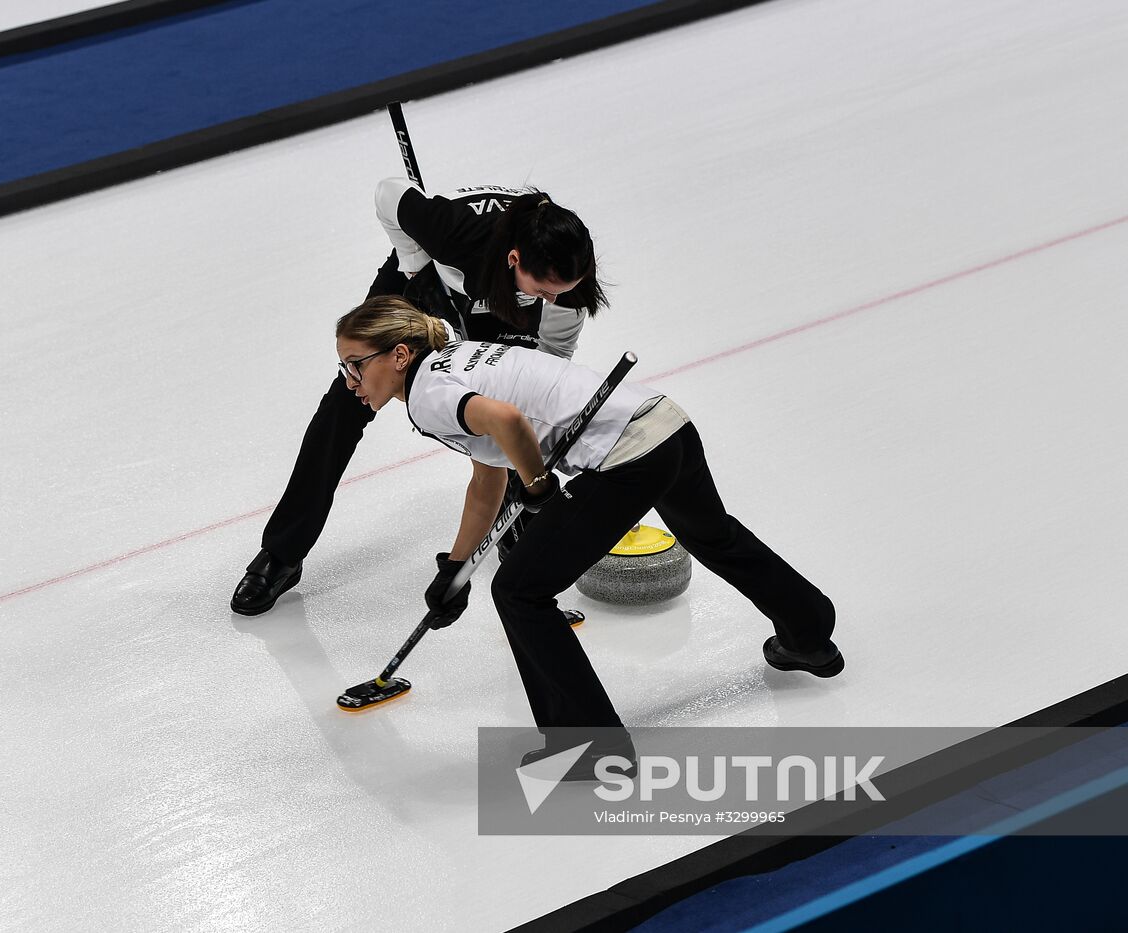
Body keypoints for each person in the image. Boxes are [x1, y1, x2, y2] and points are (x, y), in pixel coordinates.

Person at [334, 296, 843, 779]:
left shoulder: (427, 396)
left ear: (399, 355)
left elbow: (508, 422)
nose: (350, 380)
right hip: (666, 426)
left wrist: (537, 486)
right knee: (711, 534)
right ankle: (809, 633)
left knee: (519, 592)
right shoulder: (455, 360)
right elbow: (487, 477)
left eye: (356, 365)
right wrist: (456, 569)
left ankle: (589, 747)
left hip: (624, 456)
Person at [232, 178, 608, 615]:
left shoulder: (565, 292)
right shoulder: (458, 235)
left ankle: (516, 518)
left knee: (504, 399)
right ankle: (282, 552)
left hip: (501, 302)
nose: (555, 297)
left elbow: (546, 367)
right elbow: (388, 194)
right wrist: (416, 268)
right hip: (426, 276)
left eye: (559, 292)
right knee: (347, 401)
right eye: (545, 289)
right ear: (514, 258)